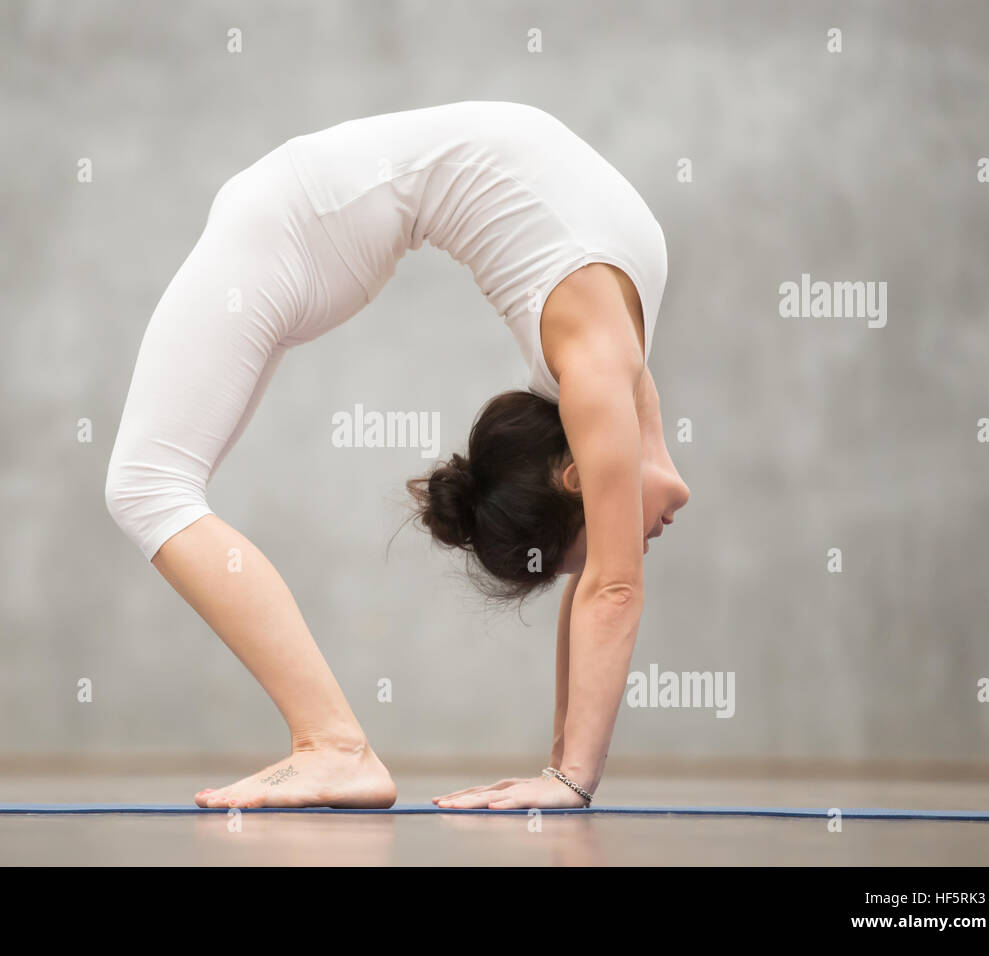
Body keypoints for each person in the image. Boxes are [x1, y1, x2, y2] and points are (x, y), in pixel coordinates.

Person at [104, 101, 690, 810]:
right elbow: (613, 588)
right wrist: (571, 781)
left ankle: (334, 748)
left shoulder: (609, 353)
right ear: (577, 475)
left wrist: (561, 764)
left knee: (154, 486)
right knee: (147, 488)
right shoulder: (598, 368)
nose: (634, 544)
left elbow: (602, 579)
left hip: (316, 219)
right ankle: (332, 746)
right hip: (294, 220)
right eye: (590, 543)